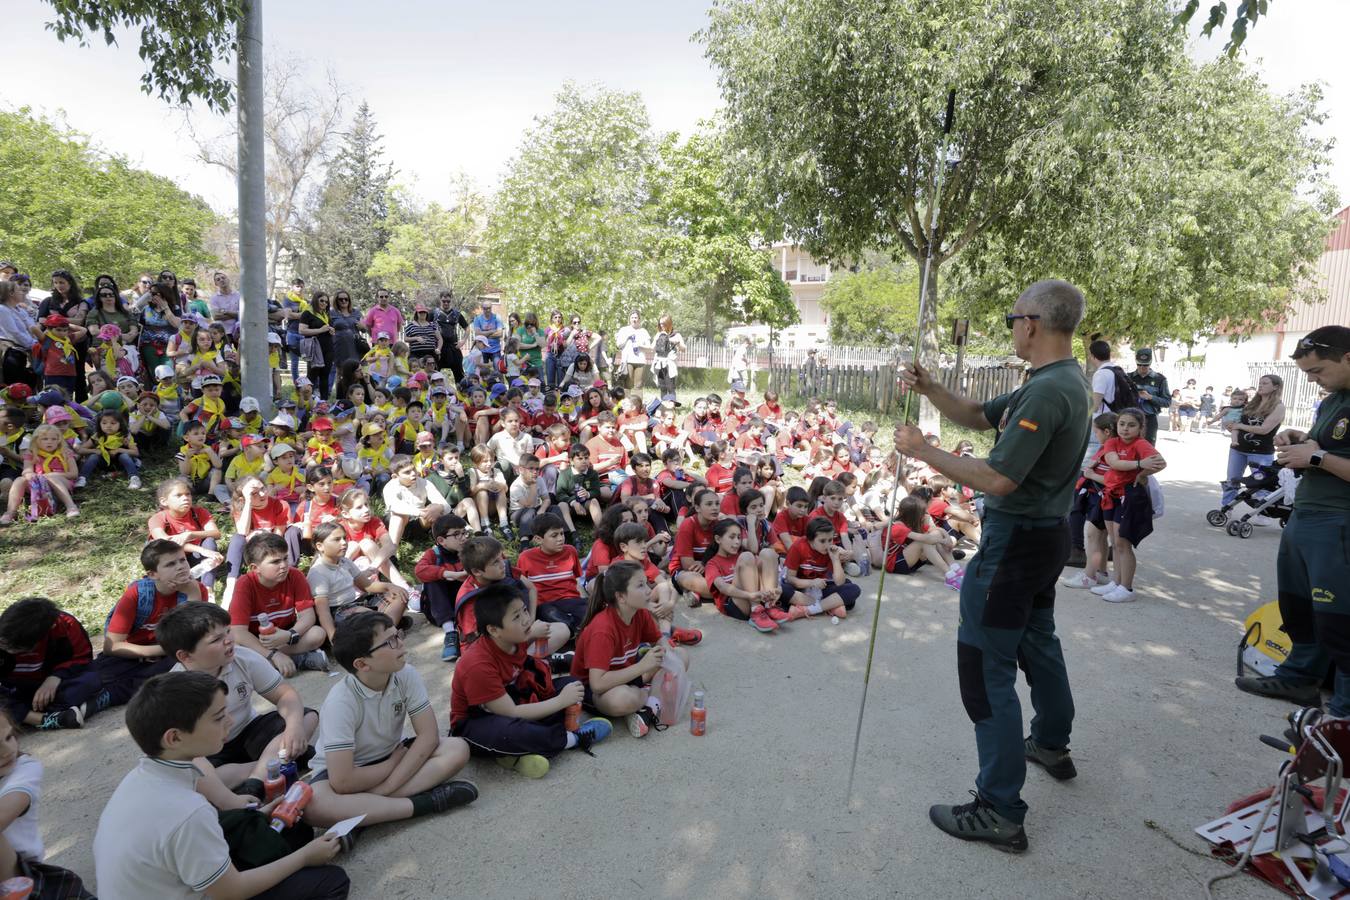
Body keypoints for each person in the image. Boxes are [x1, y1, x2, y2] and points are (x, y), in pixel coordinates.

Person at [896, 279, 1090, 853]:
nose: (1011, 326)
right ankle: (1051, 743)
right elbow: (980, 416)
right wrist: (932, 390)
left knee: (985, 673)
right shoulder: (1056, 382)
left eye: (1013, 317)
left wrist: (923, 451)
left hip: (1014, 546)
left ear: (1031, 322)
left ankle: (1000, 807)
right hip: (1043, 537)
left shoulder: (1049, 392)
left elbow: (1000, 478)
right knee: (1037, 641)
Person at [93, 671, 349, 899]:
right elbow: (232, 891)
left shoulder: (142, 777)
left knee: (292, 831)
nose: (229, 720)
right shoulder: (187, 811)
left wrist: (259, 815)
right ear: (175, 737)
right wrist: (304, 858)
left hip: (167, 879)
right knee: (331, 881)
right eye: (217, 717)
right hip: (206, 890)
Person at [1235, 326, 1350, 712]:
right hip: (1308, 514)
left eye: (1318, 371)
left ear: (1347, 357)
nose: (1313, 380)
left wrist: (1316, 458)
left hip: (1339, 522)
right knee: (1299, 606)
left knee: (1339, 616)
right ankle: (1298, 678)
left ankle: (1343, 714)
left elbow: (1326, 455)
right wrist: (1303, 439)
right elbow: (1328, 442)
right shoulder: (1336, 399)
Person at [304, 613, 477, 832]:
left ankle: (363, 815)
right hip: (345, 772)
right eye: (391, 641)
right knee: (313, 805)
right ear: (362, 664)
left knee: (457, 748)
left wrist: (387, 787)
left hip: (391, 755)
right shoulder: (341, 701)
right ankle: (424, 803)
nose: (401, 643)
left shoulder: (405, 674)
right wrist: (392, 764)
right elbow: (342, 781)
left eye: (397, 635)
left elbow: (428, 736)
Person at [449, 581, 611, 779]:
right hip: (477, 721)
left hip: (512, 697)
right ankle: (571, 739)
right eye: (517, 617)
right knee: (513, 731)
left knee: (572, 684)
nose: (526, 620)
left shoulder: (515, 637)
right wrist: (560, 702)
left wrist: (535, 635)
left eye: (525, 611)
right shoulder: (477, 664)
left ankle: (514, 754)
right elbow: (510, 712)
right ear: (493, 629)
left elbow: (533, 663)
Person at [158, 602, 319, 800]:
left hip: (249, 731)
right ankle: (276, 764)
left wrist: (294, 727)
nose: (229, 640)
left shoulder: (243, 658)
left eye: (228, 631)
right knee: (194, 779)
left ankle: (259, 777)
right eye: (217, 639)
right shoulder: (176, 689)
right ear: (186, 656)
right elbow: (188, 753)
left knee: (306, 717)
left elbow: (284, 695)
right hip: (209, 749)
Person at [92, 540, 211, 717]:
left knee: (193, 663)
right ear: (153, 574)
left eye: (182, 560)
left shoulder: (196, 589)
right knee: (94, 678)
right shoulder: (138, 593)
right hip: (133, 655)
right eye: (171, 564)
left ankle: (113, 695)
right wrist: (160, 649)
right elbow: (112, 646)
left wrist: (193, 595)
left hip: (170, 657)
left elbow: (192, 637)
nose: (181, 567)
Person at [572, 561, 688, 739]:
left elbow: (659, 640)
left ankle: (647, 706)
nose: (649, 590)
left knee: (680, 656)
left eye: (646, 583)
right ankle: (650, 699)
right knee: (624, 700)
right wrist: (644, 667)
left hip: (628, 674)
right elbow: (597, 684)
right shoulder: (602, 630)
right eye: (640, 585)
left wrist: (665, 652)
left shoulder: (639, 612)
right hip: (598, 691)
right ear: (621, 597)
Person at [228, 532, 329, 677]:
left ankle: (269, 664)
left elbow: (308, 616)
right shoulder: (245, 584)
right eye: (275, 562)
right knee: (237, 649)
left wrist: (290, 635)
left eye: (285, 558)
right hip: (255, 641)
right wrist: (272, 655)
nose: (283, 565)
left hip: (283, 636)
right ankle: (296, 659)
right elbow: (238, 632)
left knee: (318, 634)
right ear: (255, 568)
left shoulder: (295, 575)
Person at [1091, 408, 1165, 603]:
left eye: (1131, 425)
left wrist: (1141, 475)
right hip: (1111, 496)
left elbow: (1161, 463)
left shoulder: (1141, 444)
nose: (1125, 429)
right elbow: (1114, 463)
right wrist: (1141, 464)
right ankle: (1116, 582)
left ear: (1141, 428)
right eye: (1122, 424)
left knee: (1124, 543)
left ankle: (1127, 588)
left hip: (1129, 497)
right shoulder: (1112, 442)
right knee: (1114, 543)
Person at [0, 597, 100, 731]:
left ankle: (17, 716)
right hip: (11, 690)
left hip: (51, 686)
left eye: (10, 646)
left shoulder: (65, 625)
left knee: (91, 680)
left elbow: (82, 658)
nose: (2, 644)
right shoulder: (3, 632)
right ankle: (44, 719)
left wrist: (55, 677)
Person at [1220, 373, 1286, 509]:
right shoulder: (1251, 404)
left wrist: (1239, 426)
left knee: (1261, 484)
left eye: (1265, 383)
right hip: (1238, 449)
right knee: (1231, 481)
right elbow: (1237, 423)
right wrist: (1231, 426)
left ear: (1276, 387)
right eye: (1260, 383)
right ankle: (1225, 509)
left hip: (1260, 452)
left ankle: (1263, 513)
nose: (1260, 385)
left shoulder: (1278, 407)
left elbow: (1264, 429)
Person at [1126, 347, 1170, 444]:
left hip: (1149, 419)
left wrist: (1150, 397)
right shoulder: (1128, 378)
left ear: (1150, 363)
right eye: (1139, 364)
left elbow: (1167, 402)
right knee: (1128, 448)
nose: (1142, 367)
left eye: (1145, 365)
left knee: (1148, 449)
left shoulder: (1160, 379)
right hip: (1130, 418)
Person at [614, 312, 651, 391]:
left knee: (638, 385)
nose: (634, 319)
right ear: (629, 319)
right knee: (628, 385)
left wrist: (640, 345)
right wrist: (627, 338)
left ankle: (637, 403)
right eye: (632, 317)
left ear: (639, 319)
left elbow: (649, 348)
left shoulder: (643, 331)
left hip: (640, 361)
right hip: (628, 360)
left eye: (636, 317)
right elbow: (618, 345)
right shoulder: (624, 330)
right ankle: (627, 403)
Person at [650, 315, 684, 399]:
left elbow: (683, 349)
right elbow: (652, 348)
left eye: (663, 324)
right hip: (659, 363)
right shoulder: (658, 334)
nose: (661, 325)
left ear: (669, 323)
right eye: (660, 323)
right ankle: (663, 407)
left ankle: (672, 408)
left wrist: (676, 342)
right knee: (662, 387)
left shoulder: (676, 335)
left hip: (670, 364)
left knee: (670, 387)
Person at [471, 298, 504, 366]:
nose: (487, 310)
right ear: (482, 308)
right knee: (481, 372)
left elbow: (500, 334)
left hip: (495, 349)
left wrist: (483, 334)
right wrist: (492, 331)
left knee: (497, 370)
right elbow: (477, 334)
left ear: (491, 308)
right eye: (485, 308)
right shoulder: (477, 319)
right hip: (482, 350)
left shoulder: (497, 317)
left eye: (489, 308)